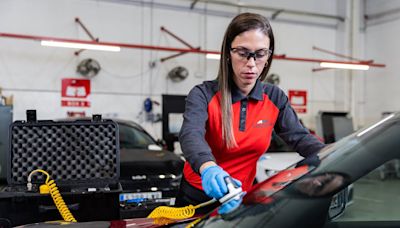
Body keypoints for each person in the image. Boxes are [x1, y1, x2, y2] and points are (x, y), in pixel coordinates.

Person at [176, 12, 325, 215]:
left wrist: (333, 157)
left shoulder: (274, 97)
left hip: (240, 197)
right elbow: (191, 135)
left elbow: (300, 137)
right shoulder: (203, 94)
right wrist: (208, 168)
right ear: (228, 53)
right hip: (196, 198)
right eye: (242, 52)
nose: (252, 64)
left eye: (260, 54)